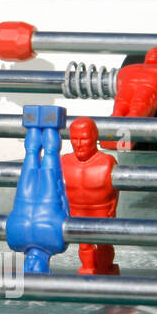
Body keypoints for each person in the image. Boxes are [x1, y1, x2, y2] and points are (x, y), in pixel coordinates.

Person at [62, 117, 119, 275]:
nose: (79, 144)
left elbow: (115, 191)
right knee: (84, 244)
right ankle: (88, 268)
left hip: (101, 209)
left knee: (104, 242)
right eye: (74, 139)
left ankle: (105, 268)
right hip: (76, 210)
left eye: (84, 138)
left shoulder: (107, 162)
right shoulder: (64, 161)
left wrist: (113, 209)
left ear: (94, 138)